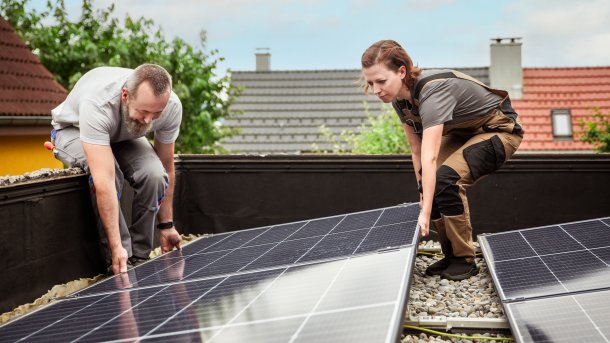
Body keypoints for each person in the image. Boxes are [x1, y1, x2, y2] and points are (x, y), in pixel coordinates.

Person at [361, 40, 523, 280]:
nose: (376, 90)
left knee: (445, 178)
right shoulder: (401, 102)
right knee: (428, 183)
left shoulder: (432, 90)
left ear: (402, 71)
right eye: (371, 83)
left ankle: (464, 260)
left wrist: (425, 212)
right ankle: (450, 256)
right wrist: (423, 195)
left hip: (499, 131)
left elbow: (430, 154)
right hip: (462, 134)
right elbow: (416, 151)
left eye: (381, 81)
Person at [50, 64, 183, 275]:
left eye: (155, 113)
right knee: (112, 175)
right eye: (144, 111)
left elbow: (167, 167)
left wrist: (166, 226)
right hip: (73, 130)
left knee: (155, 175)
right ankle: (120, 260)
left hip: (124, 135)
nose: (149, 120)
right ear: (125, 95)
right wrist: (116, 247)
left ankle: (140, 256)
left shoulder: (171, 107)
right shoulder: (98, 103)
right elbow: (104, 181)